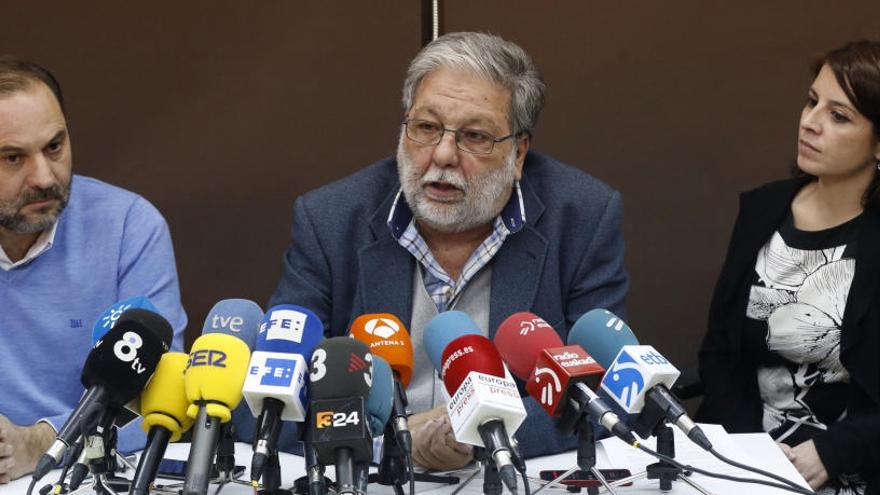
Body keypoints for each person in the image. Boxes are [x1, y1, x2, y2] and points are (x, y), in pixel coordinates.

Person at [265, 32, 628, 471]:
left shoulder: (582, 219)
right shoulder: (329, 220)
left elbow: (605, 393)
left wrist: (477, 432)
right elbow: (272, 400)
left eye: (474, 136)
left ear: (518, 153)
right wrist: (392, 441)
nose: (442, 155)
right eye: (426, 127)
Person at [697, 41, 880, 494]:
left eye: (839, 116)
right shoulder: (764, 209)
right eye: (812, 101)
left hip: (850, 467)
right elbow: (719, 352)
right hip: (743, 461)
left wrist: (832, 453)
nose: (809, 122)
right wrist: (751, 450)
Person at [0, 58, 187, 481]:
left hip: (85, 476)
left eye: (54, 146)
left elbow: (156, 402)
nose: (45, 177)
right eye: (13, 158)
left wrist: (37, 442)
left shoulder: (128, 227)